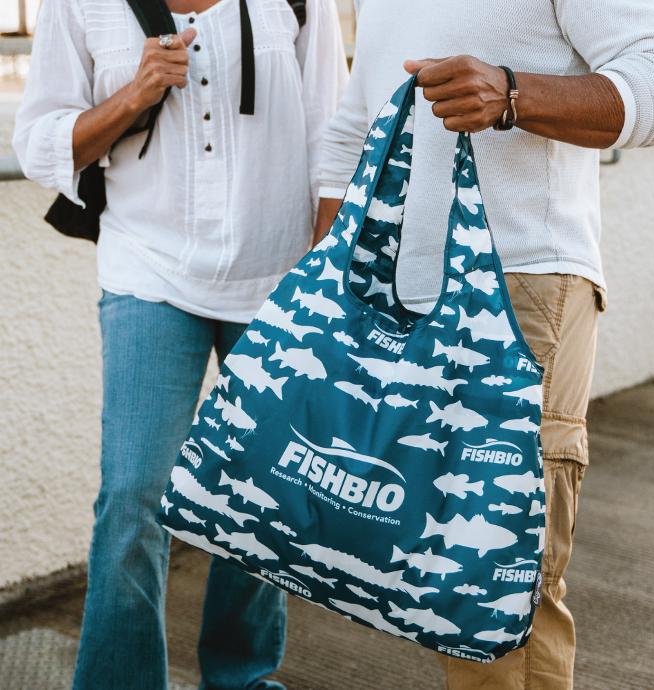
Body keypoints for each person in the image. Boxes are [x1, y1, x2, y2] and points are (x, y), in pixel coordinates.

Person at [314, 1, 654, 688]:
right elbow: (350, 133)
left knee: (498, 581)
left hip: (518, 290)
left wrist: (513, 93)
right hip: (402, 297)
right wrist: (329, 294)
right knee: (428, 577)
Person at [13, 0, 347, 688]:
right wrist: (134, 93)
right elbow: (40, 140)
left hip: (280, 276)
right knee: (136, 490)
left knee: (260, 494)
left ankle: (243, 677)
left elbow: (333, 135)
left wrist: (323, 273)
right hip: (148, 268)